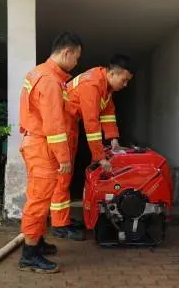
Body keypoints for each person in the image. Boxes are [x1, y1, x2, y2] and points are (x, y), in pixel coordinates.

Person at [48, 54, 134, 241]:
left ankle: (62, 220)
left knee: (66, 177)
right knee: (62, 176)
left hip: (69, 124)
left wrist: (113, 140)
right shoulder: (92, 85)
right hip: (64, 126)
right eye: (124, 80)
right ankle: (59, 225)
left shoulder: (105, 87)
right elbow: (92, 124)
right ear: (112, 73)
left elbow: (108, 113)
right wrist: (100, 157)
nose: (125, 84)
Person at [17, 32, 82, 273]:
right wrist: (64, 158)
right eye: (76, 58)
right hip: (43, 146)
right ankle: (30, 254)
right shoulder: (50, 81)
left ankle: (38, 241)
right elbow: (54, 125)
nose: (76, 63)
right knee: (38, 200)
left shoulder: (39, 73)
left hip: (36, 143)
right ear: (67, 52)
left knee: (40, 198)